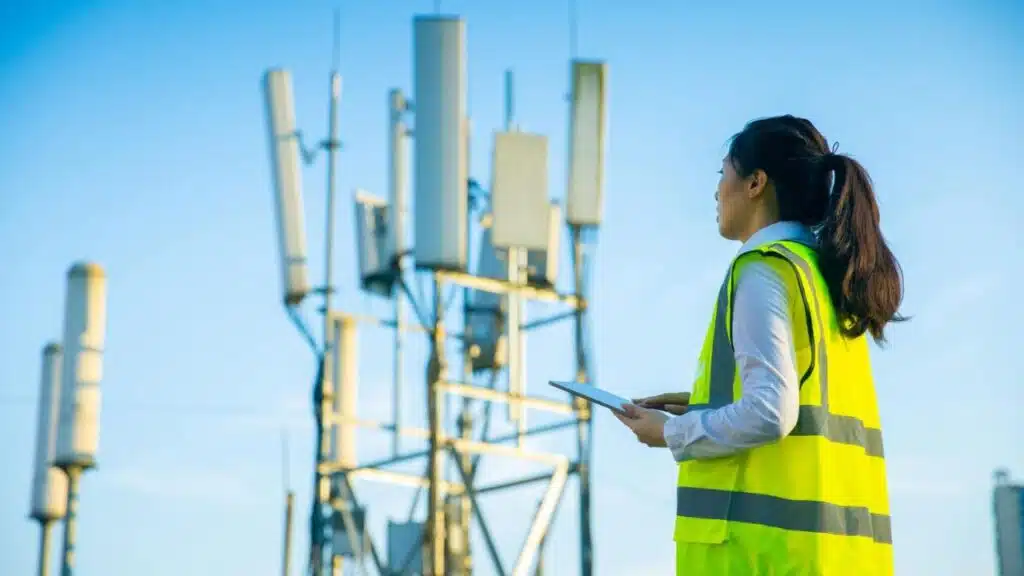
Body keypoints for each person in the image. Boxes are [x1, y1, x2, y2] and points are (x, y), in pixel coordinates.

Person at [614, 115, 905, 575]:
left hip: (764, 559)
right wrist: (704, 410)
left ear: (755, 183)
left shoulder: (762, 269)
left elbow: (772, 412)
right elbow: (806, 404)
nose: (716, 191)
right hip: (837, 559)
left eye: (722, 174)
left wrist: (671, 433)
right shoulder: (824, 278)